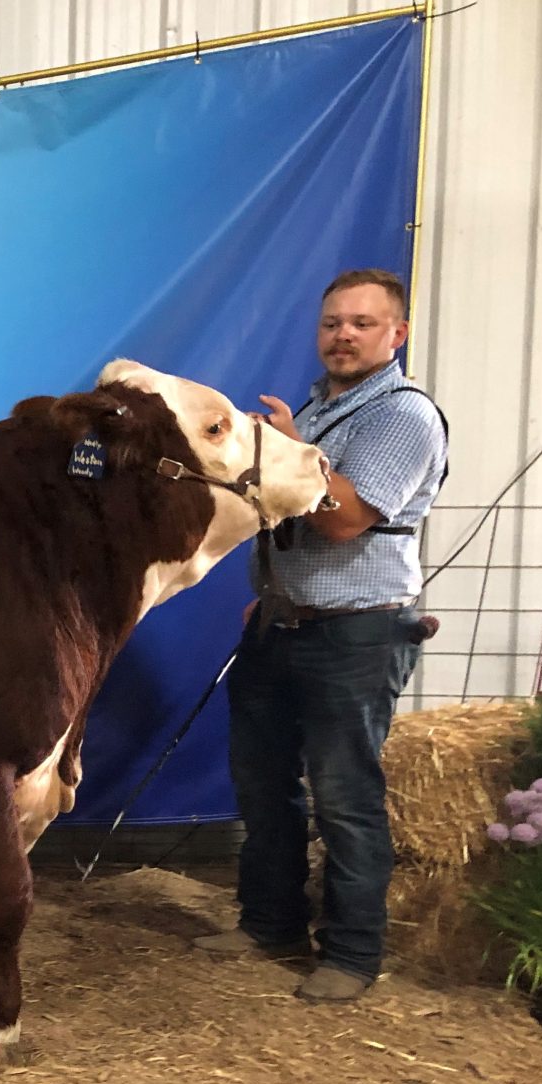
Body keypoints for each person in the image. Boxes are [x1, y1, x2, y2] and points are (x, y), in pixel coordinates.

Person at [193, 268, 448, 1003]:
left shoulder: (403, 416)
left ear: (396, 334)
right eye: (333, 322)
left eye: (362, 323)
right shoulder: (314, 404)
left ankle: (351, 954)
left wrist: (291, 452)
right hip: (281, 624)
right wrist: (272, 593)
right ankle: (270, 922)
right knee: (263, 786)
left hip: (358, 634)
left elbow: (342, 519)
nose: (343, 335)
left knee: (344, 796)